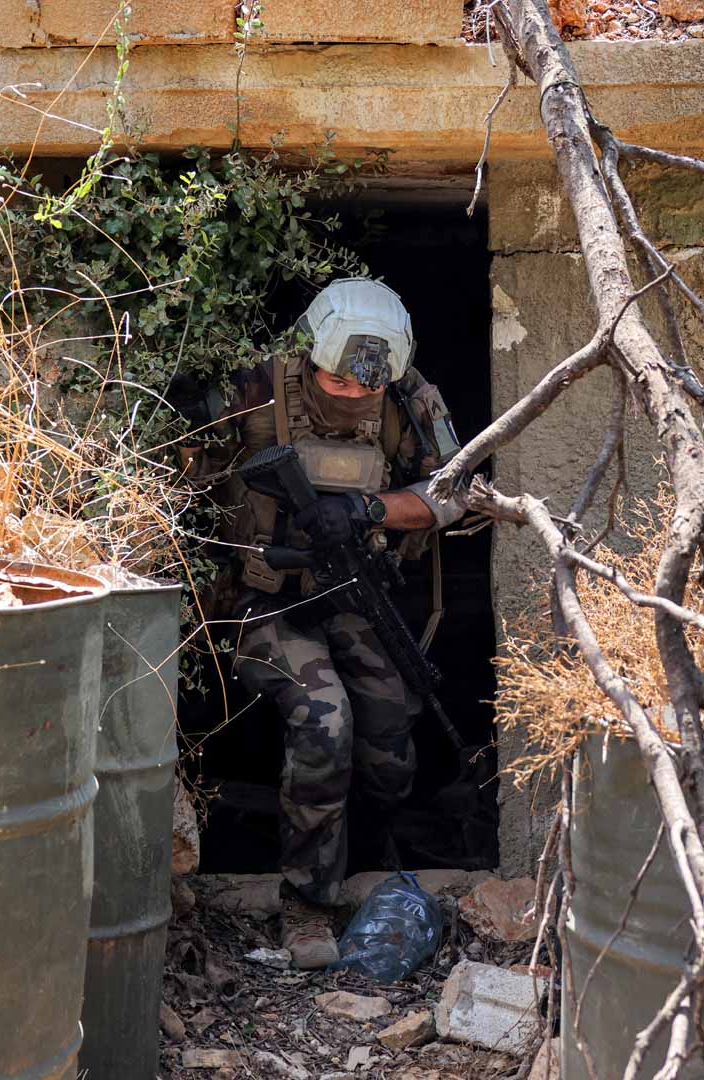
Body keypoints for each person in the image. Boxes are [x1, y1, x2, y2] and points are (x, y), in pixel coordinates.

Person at [214, 277, 466, 969]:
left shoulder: (411, 397)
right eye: (338, 384)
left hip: (354, 594)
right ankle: (308, 901)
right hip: (265, 600)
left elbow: (453, 491)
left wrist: (370, 512)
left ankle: (368, 855)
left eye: (367, 390)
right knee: (326, 719)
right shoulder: (256, 385)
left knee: (391, 730)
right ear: (310, 355)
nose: (353, 395)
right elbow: (185, 477)